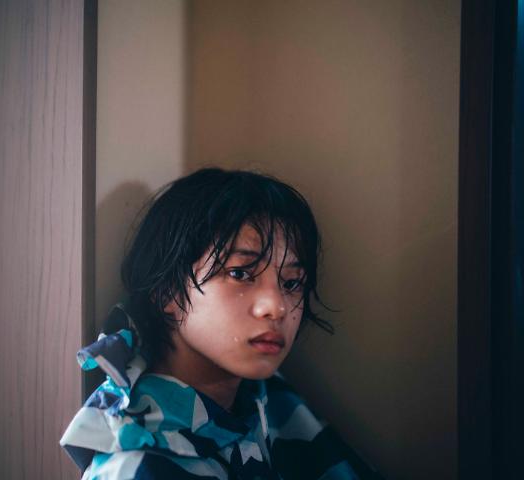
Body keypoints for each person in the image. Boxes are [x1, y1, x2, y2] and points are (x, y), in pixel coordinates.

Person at [60, 168, 384, 479]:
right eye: (240, 273)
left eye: (291, 283)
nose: (277, 307)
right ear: (167, 291)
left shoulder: (267, 401)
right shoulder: (137, 465)